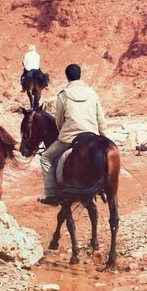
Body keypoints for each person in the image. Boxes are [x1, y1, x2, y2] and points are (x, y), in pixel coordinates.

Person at [38, 63, 107, 204]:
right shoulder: (92, 92)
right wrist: (104, 136)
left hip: (69, 137)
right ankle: (104, 187)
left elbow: (58, 120)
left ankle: (51, 193)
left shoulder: (63, 95)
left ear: (67, 77)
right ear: (80, 75)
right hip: (92, 135)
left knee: (45, 158)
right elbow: (100, 117)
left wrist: (62, 131)